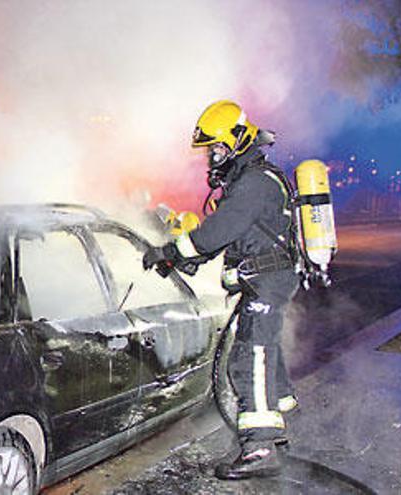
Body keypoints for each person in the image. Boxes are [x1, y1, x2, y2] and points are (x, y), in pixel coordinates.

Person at [142, 100, 299, 480]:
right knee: (265, 356)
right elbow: (228, 236)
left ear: (236, 142)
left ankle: (259, 447)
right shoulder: (252, 181)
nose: (212, 157)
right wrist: (185, 259)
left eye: (217, 149)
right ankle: (273, 433)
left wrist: (170, 252)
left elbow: (217, 231)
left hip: (266, 282)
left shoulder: (253, 183)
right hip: (264, 280)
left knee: (249, 359)